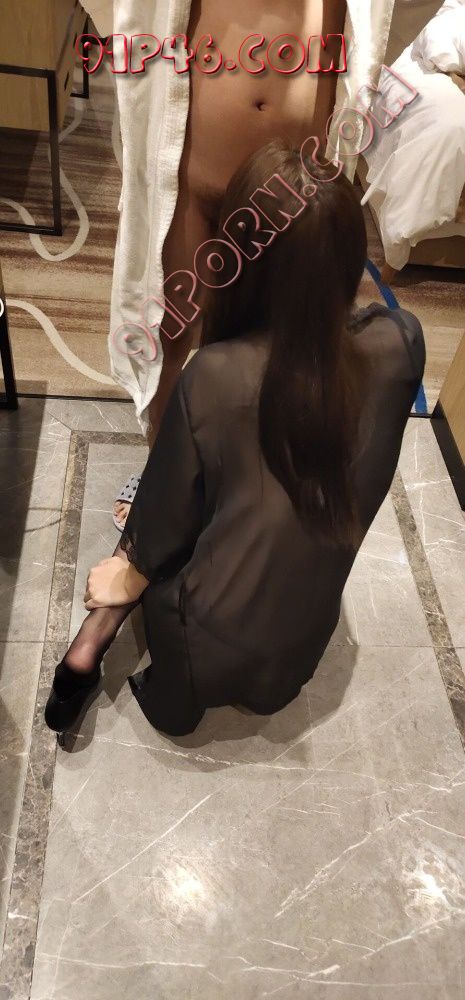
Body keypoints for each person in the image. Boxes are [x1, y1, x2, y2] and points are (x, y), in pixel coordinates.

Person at [45, 140, 425, 739]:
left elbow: (167, 525)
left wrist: (131, 568)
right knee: (240, 478)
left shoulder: (217, 375)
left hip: (199, 643)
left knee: (168, 494)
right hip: (303, 642)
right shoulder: (402, 341)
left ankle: (94, 635)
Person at [112, 0, 349, 528]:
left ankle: (248, 480)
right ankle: (161, 476)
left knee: (281, 342)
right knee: (170, 332)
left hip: (297, 190)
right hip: (193, 175)